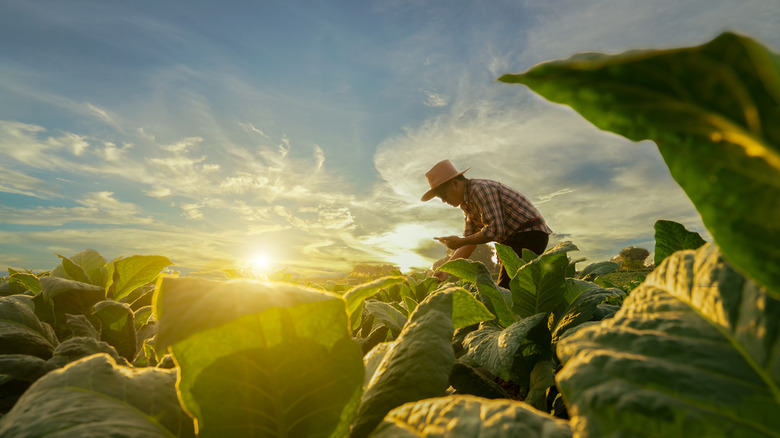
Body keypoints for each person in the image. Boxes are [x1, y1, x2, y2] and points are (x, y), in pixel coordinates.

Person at [422, 159, 552, 288]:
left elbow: (495, 231)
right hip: (516, 239)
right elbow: (470, 242)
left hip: (529, 235)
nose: (444, 201)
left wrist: (460, 242)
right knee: (514, 289)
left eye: (443, 195)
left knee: (506, 291)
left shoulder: (480, 190)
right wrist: (446, 268)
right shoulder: (467, 204)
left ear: (455, 183)